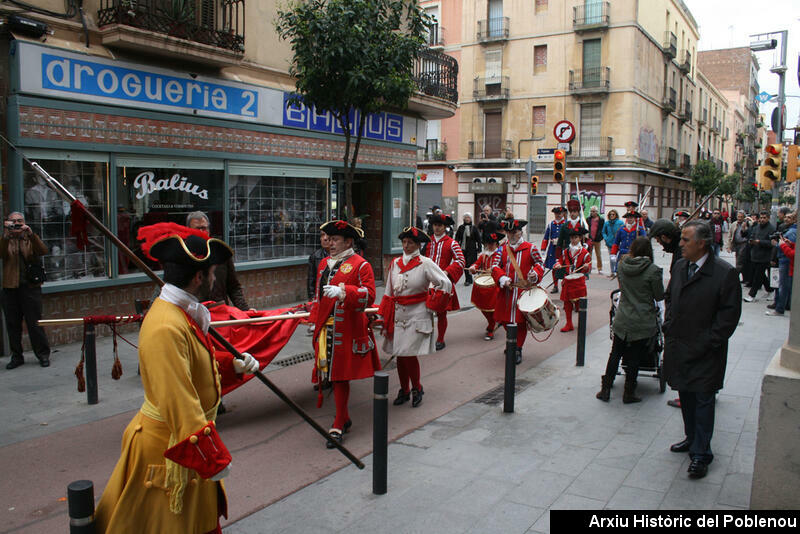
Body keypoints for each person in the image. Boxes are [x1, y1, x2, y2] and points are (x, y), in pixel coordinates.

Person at [95, 224, 259, 532]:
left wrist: (231, 366)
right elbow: (178, 397)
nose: (213, 278)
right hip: (169, 445)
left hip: (181, 439)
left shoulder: (182, 312)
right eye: (211, 272)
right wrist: (211, 456)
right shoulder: (166, 326)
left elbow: (193, 365)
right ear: (199, 277)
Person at [663, 221, 741, 480]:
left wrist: (709, 341)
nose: (681, 244)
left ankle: (701, 454)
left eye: (686, 240)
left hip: (706, 351)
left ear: (702, 243)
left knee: (704, 401)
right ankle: (691, 438)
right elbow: (671, 297)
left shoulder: (724, 273)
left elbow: (729, 316)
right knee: (686, 396)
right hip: (680, 347)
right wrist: (669, 323)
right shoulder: (680, 265)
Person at [310, 220, 381, 448]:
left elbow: (369, 296)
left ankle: (339, 422)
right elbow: (319, 297)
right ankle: (344, 417)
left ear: (348, 241)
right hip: (326, 327)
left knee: (340, 375)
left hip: (347, 328)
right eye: (328, 239)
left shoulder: (361, 265)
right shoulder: (323, 264)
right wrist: (314, 318)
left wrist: (343, 292)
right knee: (330, 374)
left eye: (335, 240)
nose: (330, 244)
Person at [379, 227, 451, 408]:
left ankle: (416, 388)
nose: (406, 245)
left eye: (410, 242)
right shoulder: (395, 263)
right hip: (398, 314)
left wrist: (433, 302)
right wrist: (383, 314)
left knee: (408, 354)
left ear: (418, 244)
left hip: (417, 313)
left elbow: (445, 283)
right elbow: (388, 291)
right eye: (404, 242)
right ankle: (404, 389)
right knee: (400, 355)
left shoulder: (425, 263)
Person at [597, 237, 664, 403]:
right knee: (634, 356)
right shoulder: (653, 270)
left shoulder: (622, 266)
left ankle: (605, 389)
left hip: (623, 316)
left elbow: (622, 287)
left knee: (615, 353)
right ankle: (629, 392)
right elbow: (659, 295)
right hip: (642, 319)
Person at [1, 212, 51, 369]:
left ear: (24, 222)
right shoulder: (6, 240)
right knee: (13, 324)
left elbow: (43, 251)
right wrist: (6, 235)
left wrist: (31, 235)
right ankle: (17, 356)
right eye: (13, 221)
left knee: (35, 323)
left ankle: (43, 354)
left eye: (19, 221)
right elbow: (1, 254)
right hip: (10, 287)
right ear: (8, 223)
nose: (16, 224)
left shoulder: (29, 238)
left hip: (30, 287)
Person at [491, 218, 544, 364]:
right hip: (507, 291)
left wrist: (535, 274)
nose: (511, 236)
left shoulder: (531, 248)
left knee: (520, 323)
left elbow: (540, 264)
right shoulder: (502, 248)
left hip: (523, 292)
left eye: (514, 232)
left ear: (521, 232)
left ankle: (518, 348)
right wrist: (502, 278)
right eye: (508, 233)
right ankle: (512, 342)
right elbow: (494, 266)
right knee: (506, 320)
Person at [186, 212, 250, 311]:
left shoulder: (220, 251)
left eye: (205, 228)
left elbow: (233, 287)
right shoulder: (182, 255)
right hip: (193, 315)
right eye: (198, 229)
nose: (202, 231)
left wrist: (246, 311)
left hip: (220, 312)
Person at [423, 213, 465, 350]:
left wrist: (446, 272)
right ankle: (425, 336)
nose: (437, 228)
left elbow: (460, 260)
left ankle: (440, 339)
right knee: (424, 311)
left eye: (440, 225)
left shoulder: (452, 243)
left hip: (443, 282)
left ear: (445, 227)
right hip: (426, 281)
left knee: (441, 312)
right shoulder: (427, 241)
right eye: (435, 225)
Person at [468, 221, 504, 340]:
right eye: (488, 243)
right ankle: (493, 322)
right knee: (483, 307)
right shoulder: (484, 255)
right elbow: (477, 264)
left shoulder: (500, 254)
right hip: (485, 284)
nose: (490, 246)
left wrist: (495, 271)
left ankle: (491, 327)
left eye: (492, 243)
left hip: (496, 284)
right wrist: (473, 267)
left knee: (492, 308)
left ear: (496, 243)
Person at [554, 227, 591, 333]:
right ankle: (569, 323)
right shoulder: (566, 251)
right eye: (571, 238)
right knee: (567, 303)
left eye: (575, 238)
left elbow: (588, 264)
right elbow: (561, 261)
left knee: (580, 304)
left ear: (580, 238)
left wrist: (586, 267)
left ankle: (581, 321)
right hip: (567, 280)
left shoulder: (584, 252)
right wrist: (558, 264)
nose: (573, 240)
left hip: (578, 281)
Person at [767, 211, 796, 316]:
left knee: (783, 285)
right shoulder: (789, 230)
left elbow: (791, 252)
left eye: (790, 217)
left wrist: (780, 244)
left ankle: (780, 309)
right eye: (787, 217)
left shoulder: (792, 231)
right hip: (785, 260)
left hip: (786, 261)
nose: (786, 219)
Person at [743, 211, 775, 303]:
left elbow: (771, 243)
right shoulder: (756, 227)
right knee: (761, 275)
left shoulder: (771, 229)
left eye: (764, 218)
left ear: (768, 218)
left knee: (757, 276)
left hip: (765, 256)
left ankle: (751, 295)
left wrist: (759, 242)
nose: (762, 219)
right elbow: (751, 236)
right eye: (761, 217)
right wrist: (751, 241)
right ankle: (770, 290)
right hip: (755, 254)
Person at [556, 200, 588, 293]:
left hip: (580, 252)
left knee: (579, 274)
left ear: (578, 212)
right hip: (567, 252)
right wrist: (558, 257)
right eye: (571, 212)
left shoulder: (583, 224)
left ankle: (578, 292)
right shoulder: (565, 225)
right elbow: (560, 240)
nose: (573, 214)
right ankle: (566, 290)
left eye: (575, 211)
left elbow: (588, 239)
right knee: (566, 273)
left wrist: (587, 245)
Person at [541, 207, 566, 293]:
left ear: (563, 214)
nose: (558, 215)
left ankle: (565, 285)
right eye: (556, 213)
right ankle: (555, 286)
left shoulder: (566, 224)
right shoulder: (551, 224)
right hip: (553, 249)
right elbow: (546, 237)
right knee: (554, 267)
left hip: (563, 249)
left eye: (560, 213)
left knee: (564, 267)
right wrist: (543, 249)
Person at [455, 213, 482, 286]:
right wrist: (456, 246)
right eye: (466, 217)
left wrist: (479, 248)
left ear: (471, 219)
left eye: (468, 218)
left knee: (470, 264)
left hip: (472, 249)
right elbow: (457, 238)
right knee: (465, 264)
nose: (467, 219)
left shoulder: (474, 228)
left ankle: (469, 279)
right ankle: (468, 279)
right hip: (463, 249)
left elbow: (478, 239)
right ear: (463, 219)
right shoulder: (461, 227)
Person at [727, 211, 750, 281]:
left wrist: (746, 226)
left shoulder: (747, 224)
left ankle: (735, 277)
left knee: (739, 261)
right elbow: (730, 235)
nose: (739, 218)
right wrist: (729, 246)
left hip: (744, 244)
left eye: (741, 217)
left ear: (744, 217)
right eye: (738, 217)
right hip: (736, 244)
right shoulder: (734, 224)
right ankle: (745, 278)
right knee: (739, 260)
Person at [602, 209, 623, 278]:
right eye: (610, 214)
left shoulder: (620, 222)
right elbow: (603, 232)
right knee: (612, 258)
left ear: (616, 215)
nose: (611, 216)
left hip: (618, 243)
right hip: (610, 243)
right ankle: (612, 272)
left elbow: (623, 231)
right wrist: (606, 238)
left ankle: (617, 271)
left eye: (613, 214)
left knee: (618, 258)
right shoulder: (607, 223)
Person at [587, 206, 605, 273]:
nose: (592, 213)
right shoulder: (588, 219)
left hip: (597, 239)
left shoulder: (601, 220)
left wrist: (601, 237)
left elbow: (602, 229)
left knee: (598, 254)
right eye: (591, 211)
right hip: (590, 239)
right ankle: (589, 268)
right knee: (589, 255)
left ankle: (599, 268)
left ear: (597, 212)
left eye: (594, 211)